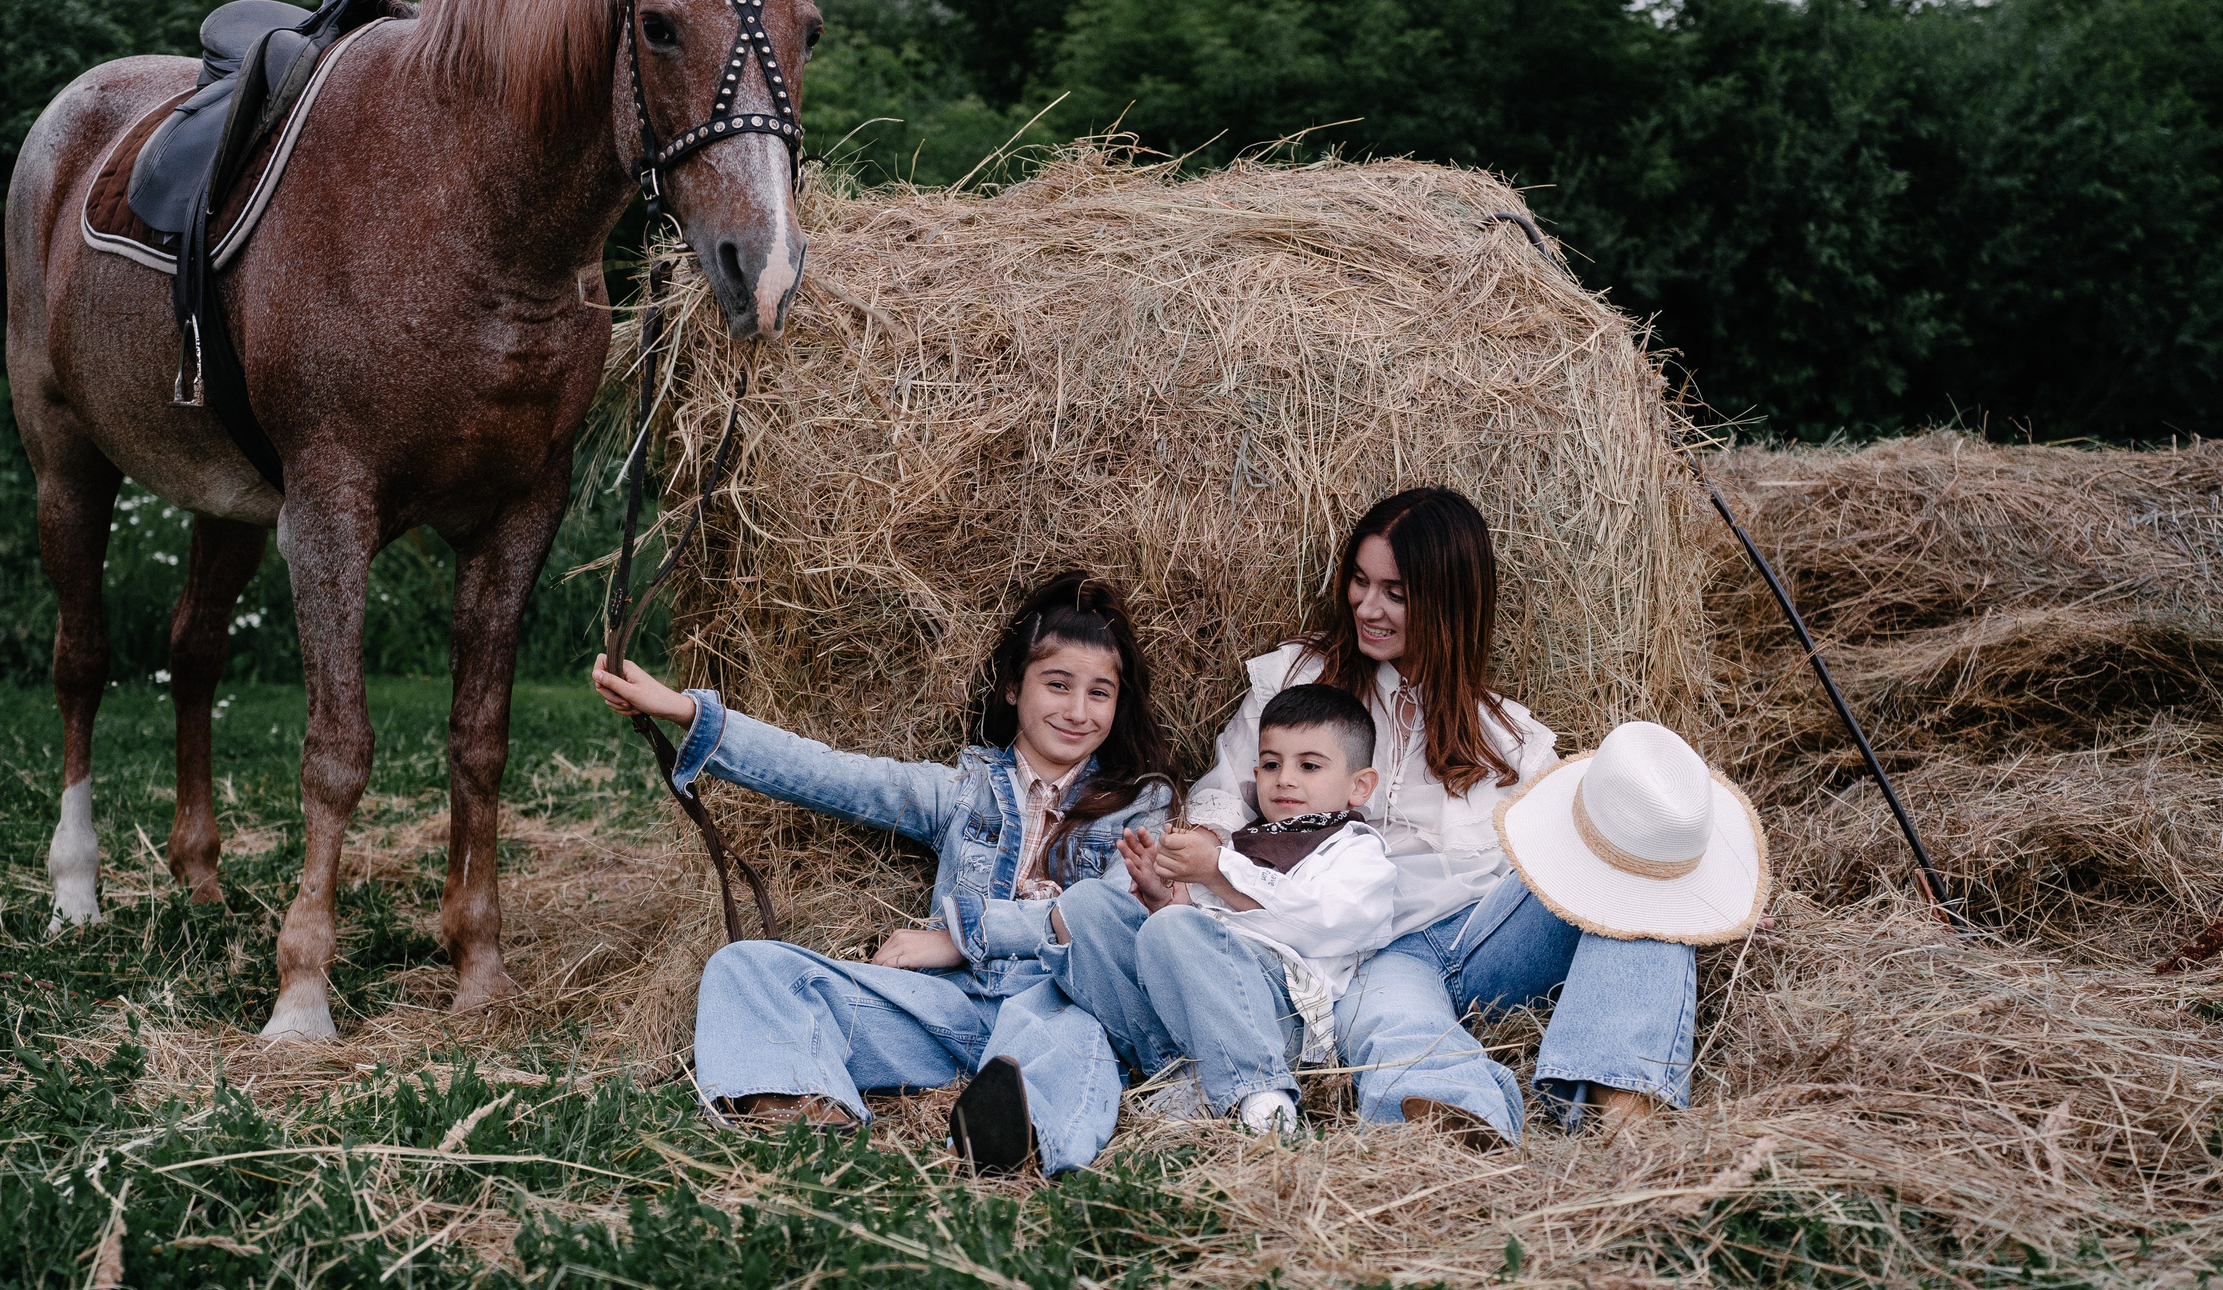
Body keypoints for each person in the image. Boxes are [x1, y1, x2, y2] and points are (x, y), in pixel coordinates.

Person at [1183, 485, 1767, 1143]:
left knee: (1632, 860)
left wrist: (1695, 889)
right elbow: (1220, 791)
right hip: (1372, 948)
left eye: (1396, 592)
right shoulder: (1296, 678)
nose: (1367, 606)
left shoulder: (1511, 739)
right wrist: (1196, 855)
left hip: (1481, 938)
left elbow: (1572, 859)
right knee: (1394, 1016)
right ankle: (1454, 1118)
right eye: (1359, 581)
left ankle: (1624, 1103)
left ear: (1449, 600)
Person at [592, 571, 1174, 1176]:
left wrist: (959, 937)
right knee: (747, 967)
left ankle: (1013, 1142)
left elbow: (1106, 919)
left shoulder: (1140, 804)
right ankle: (807, 1113)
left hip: (1057, 1008)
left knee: (1073, 1045)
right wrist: (687, 711)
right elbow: (830, 774)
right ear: (1011, 688)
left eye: (1100, 693)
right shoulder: (962, 790)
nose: (1078, 712)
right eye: (1058, 685)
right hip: (948, 1012)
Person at [1050, 681, 1399, 1139]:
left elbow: (1324, 921)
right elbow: (1188, 937)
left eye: (1309, 766)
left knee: (1176, 928)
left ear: (1360, 785)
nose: (1285, 779)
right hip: (1193, 1007)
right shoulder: (1247, 842)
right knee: (1084, 906)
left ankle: (1263, 1096)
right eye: (1271, 765)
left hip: (1278, 1015)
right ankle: (1181, 1069)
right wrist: (1160, 897)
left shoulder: (1356, 852)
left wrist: (1216, 872)